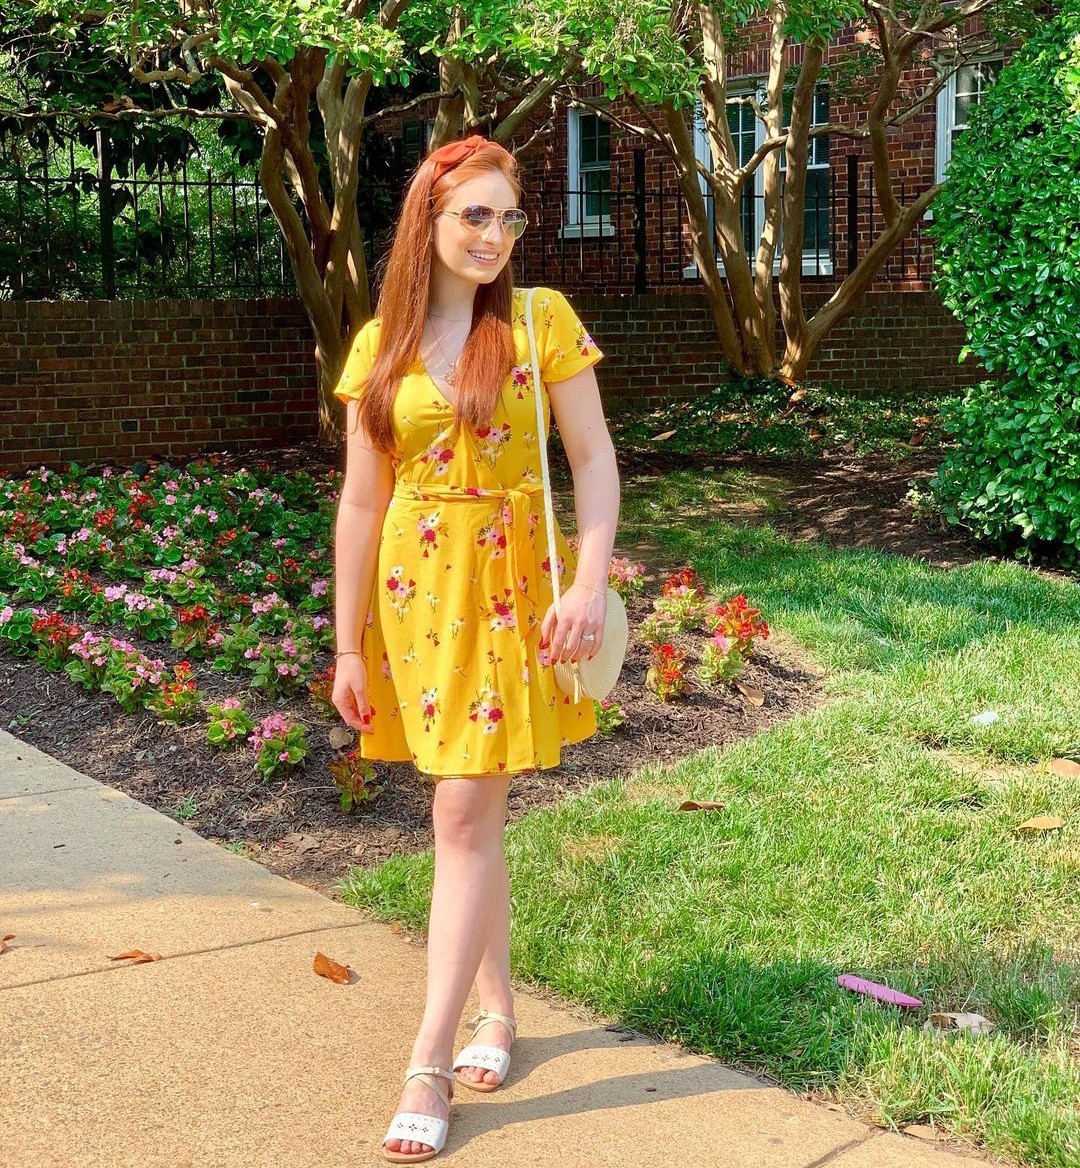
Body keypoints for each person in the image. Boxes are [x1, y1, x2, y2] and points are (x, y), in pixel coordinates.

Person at [331, 134, 620, 1163]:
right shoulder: (382, 345)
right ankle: (497, 1008)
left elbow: (593, 458)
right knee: (472, 810)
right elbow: (360, 503)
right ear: (431, 220)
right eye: (475, 215)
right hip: (414, 595)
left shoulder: (540, 322)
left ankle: (428, 1058)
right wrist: (348, 647)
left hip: (507, 590)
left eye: (509, 217)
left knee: (461, 810)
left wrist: (589, 581)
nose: (496, 235)